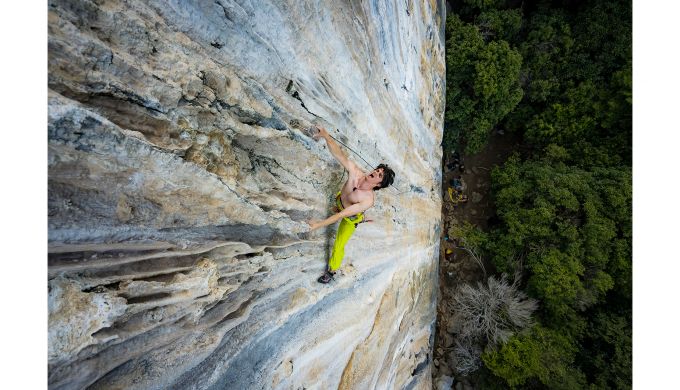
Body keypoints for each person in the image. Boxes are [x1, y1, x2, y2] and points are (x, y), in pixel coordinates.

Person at [308, 126, 395, 283]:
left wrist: (318, 225)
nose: (375, 171)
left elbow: (341, 216)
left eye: (379, 174)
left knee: (339, 244)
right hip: (341, 201)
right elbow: (339, 155)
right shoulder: (355, 172)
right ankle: (359, 216)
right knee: (339, 202)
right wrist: (326, 136)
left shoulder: (368, 200)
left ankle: (332, 271)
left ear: (379, 184)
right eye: (378, 169)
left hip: (350, 216)